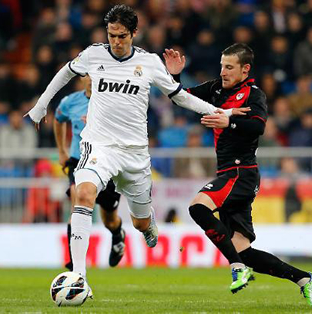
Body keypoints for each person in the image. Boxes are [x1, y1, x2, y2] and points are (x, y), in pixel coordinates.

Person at [25, 5, 246, 294]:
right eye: (112, 35)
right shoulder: (94, 54)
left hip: (135, 154)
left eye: (122, 36)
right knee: (83, 193)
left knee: (140, 223)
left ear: (134, 34)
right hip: (99, 146)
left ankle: (148, 221)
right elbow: (64, 74)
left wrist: (220, 112)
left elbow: (179, 97)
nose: (116, 42)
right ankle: (79, 276)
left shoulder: (149, 62)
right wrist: (41, 106)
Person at [164, 43, 312, 307]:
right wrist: (176, 76)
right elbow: (181, 98)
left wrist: (230, 120)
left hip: (241, 171)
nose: (223, 72)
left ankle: (236, 267)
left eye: (229, 67)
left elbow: (259, 126)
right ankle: (305, 279)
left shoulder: (254, 94)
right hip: (230, 173)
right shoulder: (215, 88)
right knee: (243, 249)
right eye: (222, 66)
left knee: (197, 208)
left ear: (244, 69)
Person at [53, 75, 126, 269]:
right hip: (79, 161)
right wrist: (62, 150)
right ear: (82, 78)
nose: (93, 79)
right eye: (88, 74)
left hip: (106, 162)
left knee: (109, 219)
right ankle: (74, 262)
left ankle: (118, 235)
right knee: (77, 199)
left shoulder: (114, 101)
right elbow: (58, 119)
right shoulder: (70, 102)